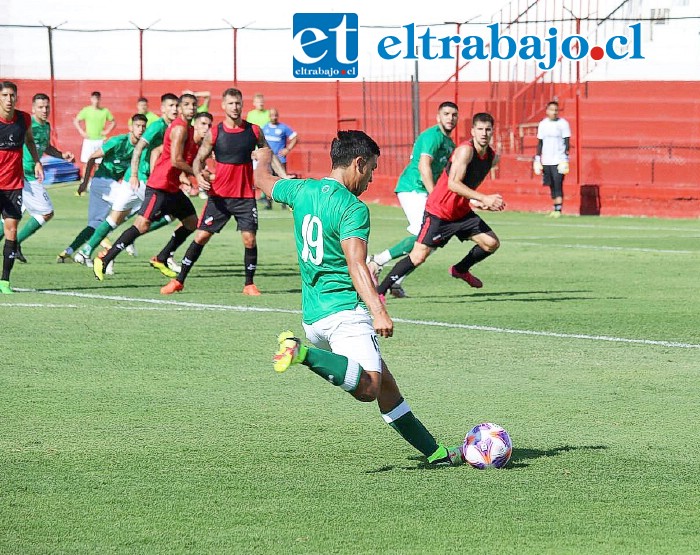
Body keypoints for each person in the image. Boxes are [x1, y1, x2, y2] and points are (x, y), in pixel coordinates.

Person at [252, 132, 464, 466]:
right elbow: (355, 264)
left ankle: (435, 454)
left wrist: (263, 155)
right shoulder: (353, 207)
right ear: (358, 162)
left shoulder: (301, 189)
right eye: (371, 169)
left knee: (386, 388)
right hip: (344, 315)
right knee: (369, 388)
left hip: (313, 316)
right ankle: (300, 352)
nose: (371, 178)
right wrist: (378, 311)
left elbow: (263, 180)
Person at [161, 88, 290, 296]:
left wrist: (283, 176)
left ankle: (249, 284)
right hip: (219, 197)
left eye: (238, 103)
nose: (235, 107)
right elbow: (198, 159)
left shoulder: (254, 130)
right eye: (231, 103)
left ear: (242, 104)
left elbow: (268, 152)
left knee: (249, 239)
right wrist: (199, 175)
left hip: (245, 196)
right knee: (201, 236)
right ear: (223, 106)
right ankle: (179, 280)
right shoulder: (215, 132)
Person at [376, 113, 504, 298]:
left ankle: (460, 269)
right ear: (472, 131)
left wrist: (477, 202)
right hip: (439, 211)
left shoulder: (492, 157)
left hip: (460, 213)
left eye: (488, 129)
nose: (484, 133)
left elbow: (466, 186)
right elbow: (453, 184)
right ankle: (380, 291)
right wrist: (484, 198)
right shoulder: (465, 151)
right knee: (419, 256)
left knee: (491, 243)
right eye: (480, 129)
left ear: (492, 131)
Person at [93, 94, 209, 281]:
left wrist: (184, 175)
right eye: (186, 105)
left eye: (194, 105)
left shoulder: (187, 128)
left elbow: (164, 153)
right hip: (159, 186)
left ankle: (161, 258)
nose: (191, 108)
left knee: (191, 222)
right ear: (180, 108)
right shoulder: (179, 128)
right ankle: (105, 258)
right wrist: (196, 173)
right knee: (142, 225)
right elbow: (175, 160)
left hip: (171, 187)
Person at [73, 93, 181, 266]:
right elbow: (139, 148)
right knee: (171, 212)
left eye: (177, 106)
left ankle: (86, 251)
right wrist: (134, 175)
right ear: (162, 108)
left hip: (140, 180)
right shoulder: (157, 127)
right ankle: (162, 255)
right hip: (143, 180)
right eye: (171, 106)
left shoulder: (175, 127)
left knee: (114, 220)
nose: (175, 109)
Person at [367, 101, 458, 298]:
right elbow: (424, 167)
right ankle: (377, 261)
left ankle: (396, 281)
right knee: (422, 233)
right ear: (438, 117)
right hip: (413, 188)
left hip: (425, 191)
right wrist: (436, 196)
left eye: (454, 115)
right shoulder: (432, 137)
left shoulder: (450, 144)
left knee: (433, 239)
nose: (450, 118)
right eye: (446, 114)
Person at [57, 115, 148, 267]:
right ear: (131, 127)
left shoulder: (142, 147)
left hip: (106, 185)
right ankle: (128, 238)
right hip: (102, 182)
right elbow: (92, 158)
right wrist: (84, 183)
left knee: (94, 224)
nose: (141, 129)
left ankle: (69, 251)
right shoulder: (118, 141)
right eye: (138, 126)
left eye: (143, 127)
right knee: (137, 202)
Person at [0, 93, 74, 262]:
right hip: (24, 175)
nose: (44, 110)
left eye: (47, 107)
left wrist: (62, 155)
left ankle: (13, 244)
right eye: (40, 107)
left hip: (28, 176)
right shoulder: (25, 123)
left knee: (10, 217)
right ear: (33, 109)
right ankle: (16, 243)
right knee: (46, 212)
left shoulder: (46, 126)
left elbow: (45, 147)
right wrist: (35, 162)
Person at [0, 81, 43, 293]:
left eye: (12, 96)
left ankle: (5, 282)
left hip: (14, 185)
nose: (9, 100)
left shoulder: (23, 118)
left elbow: (29, 141)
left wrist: (36, 161)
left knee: (12, 231)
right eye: (5, 95)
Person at [533, 100, 571, 218]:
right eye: (551, 110)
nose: (554, 112)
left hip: (558, 159)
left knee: (558, 182)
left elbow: (566, 141)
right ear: (547, 111)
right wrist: (538, 158)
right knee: (551, 184)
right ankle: (554, 207)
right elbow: (540, 142)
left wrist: (565, 158)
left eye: (556, 110)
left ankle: (558, 209)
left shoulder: (563, 124)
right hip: (547, 159)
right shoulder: (543, 124)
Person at [262, 107, 297, 209]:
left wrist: (288, 149)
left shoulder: (283, 128)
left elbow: (295, 137)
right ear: (269, 116)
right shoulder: (265, 128)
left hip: (280, 160)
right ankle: (268, 203)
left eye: (275, 115)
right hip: (268, 160)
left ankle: (284, 203)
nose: (274, 117)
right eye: (272, 115)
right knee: (268, 180)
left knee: (282, 181)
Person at [73, 91, 115, 167]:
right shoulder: (86, 110)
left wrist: (107, 131)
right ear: (91, 99)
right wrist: (81, 131)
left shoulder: (105, 111)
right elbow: (76, 121)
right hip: (89, 139)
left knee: (98, 163)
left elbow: (113, 122)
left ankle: (97, 179)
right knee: (87, 162)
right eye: (94, 99)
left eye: (97, 99)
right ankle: (84, 179)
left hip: (100, 139)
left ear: (100, 100)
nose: (96, 101)